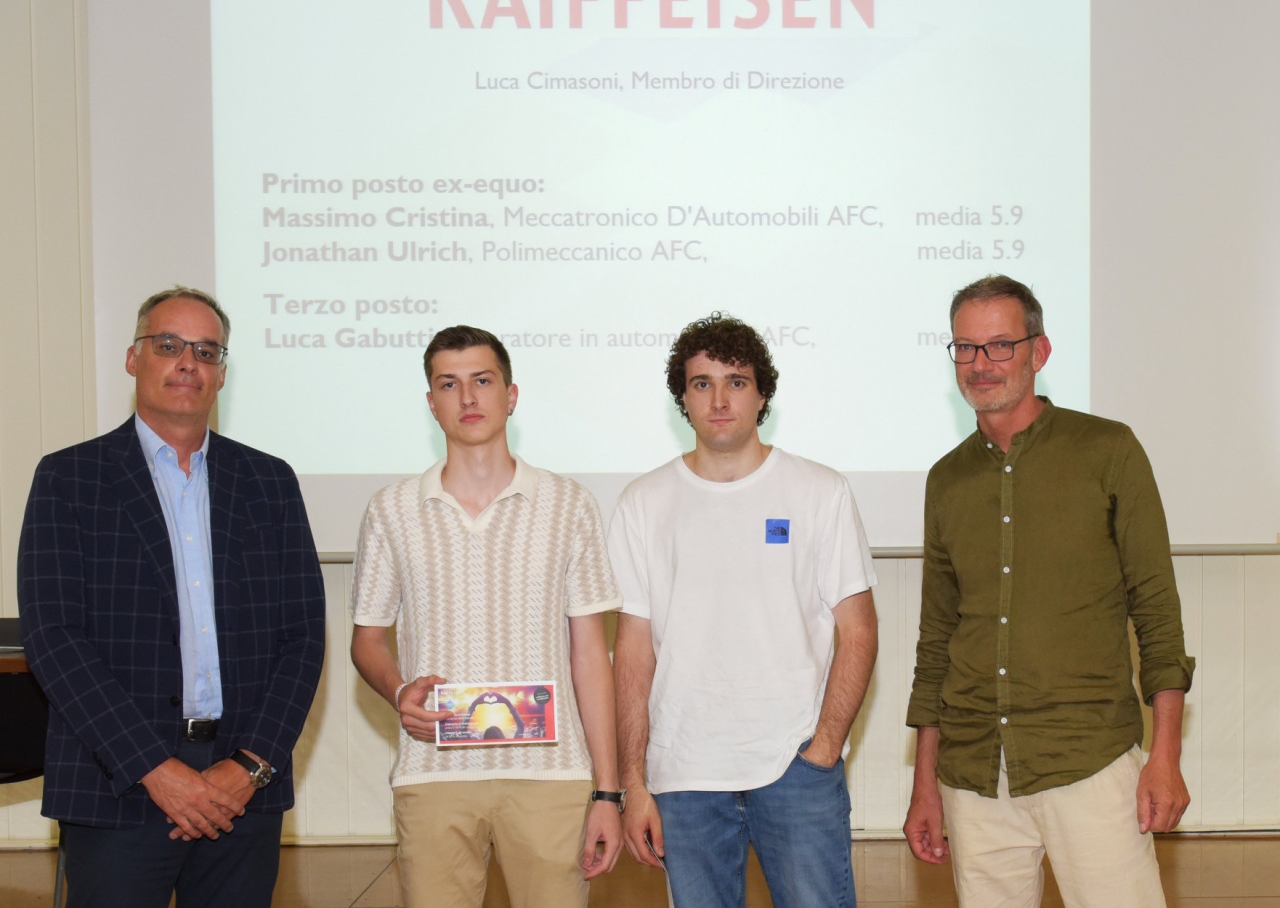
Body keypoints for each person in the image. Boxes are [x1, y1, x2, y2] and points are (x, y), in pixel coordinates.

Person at [18, 286, 326, 908]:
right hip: (117, 785)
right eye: (168, 345)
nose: (188, 362)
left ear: (222, 374)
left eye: (206, 351)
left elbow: (303, 638)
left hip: (243, 789)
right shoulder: (68, 478)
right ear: (134, 358)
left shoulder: (269, 482)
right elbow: (55, 639)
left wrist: (251, 766)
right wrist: (155, 770)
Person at [903, 275, 1196, 908]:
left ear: (1039, 351)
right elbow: (937, 641)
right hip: (975, 775)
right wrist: (925, 783)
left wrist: (1165, 756)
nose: (981, 363)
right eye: (965, 347)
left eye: (1000, 345)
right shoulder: (946, 480)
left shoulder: (1108, 450)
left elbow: (1157, 612)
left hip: (1089, 761)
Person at [610, 312, 879, 908]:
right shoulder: (642, 503)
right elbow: (632, 650)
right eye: (701, 383)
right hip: (683, 777)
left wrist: (823, 749)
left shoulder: (820, 491)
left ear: (762, 394)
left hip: (795, 770)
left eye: (736, 381)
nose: (719, 399)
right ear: (683, 399)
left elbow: (858, 631)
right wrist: (633, 782)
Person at [349, 325, 622, 908]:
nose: (468, 397)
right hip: (433, 774)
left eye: (482, 380)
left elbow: (591, 656)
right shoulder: (391, 510)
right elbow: (367, 639)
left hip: (552, 775)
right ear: (431, 402)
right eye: (449, 384)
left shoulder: (569, 503)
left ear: (511, 395)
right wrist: (398, 692)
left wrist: (608, 791)